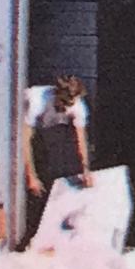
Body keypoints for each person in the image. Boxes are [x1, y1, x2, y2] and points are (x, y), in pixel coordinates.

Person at [20, 75, 93, 248]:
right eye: (64, 102)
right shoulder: (36, 100)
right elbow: (25, 140)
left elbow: (80, 139)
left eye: (71, 103)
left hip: (54, 132)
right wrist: (31, 176)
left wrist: (85, 170)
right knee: (36, 191)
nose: (68, 106)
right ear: (55, 94)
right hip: (35, 134)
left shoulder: (77, 106)